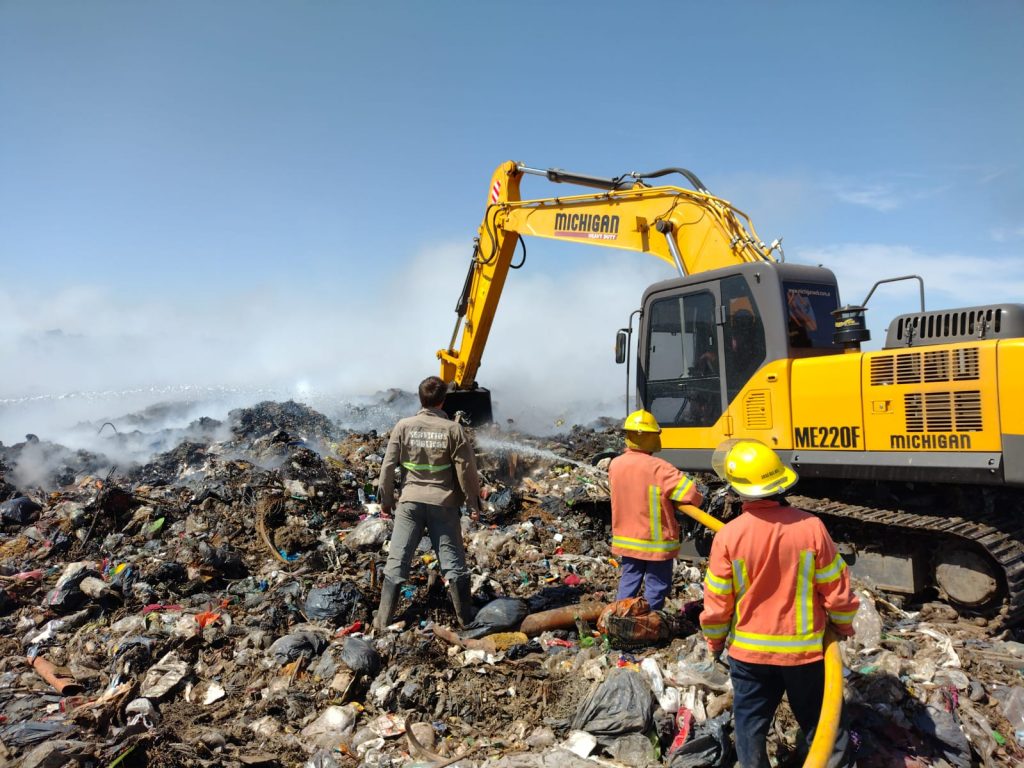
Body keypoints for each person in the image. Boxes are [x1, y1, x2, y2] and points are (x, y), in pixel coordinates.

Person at [699, 439, 860, 768]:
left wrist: (714, 642)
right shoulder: (811, 528)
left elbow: (717, 603)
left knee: (749, 727)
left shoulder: (729, 536)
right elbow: (837, 591)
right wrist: (842, 626)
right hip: (804, 654)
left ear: (738, 490)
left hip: (749, 656)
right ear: (779, 481)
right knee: (822, 725)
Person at [374, 376, 483, 630]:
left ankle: (383, 621)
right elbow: (466, 470)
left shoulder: (403, 426)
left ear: (420, 399)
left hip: (410, 503)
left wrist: (386, 502)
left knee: (397, 562)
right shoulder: (453, 430)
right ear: (443, 401)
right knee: (453, 564)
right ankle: (465, 620)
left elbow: (387, 467)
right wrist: (473, 504)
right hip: (443, 504)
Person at [608, 409, 704, 610]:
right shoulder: (660, 468)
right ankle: (649, 624)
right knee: (656, 587)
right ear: (653, 437)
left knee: (628, 582)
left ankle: (618, 620)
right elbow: (692, 496)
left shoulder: (615, 465)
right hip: (656, 543)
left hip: (627, 539)